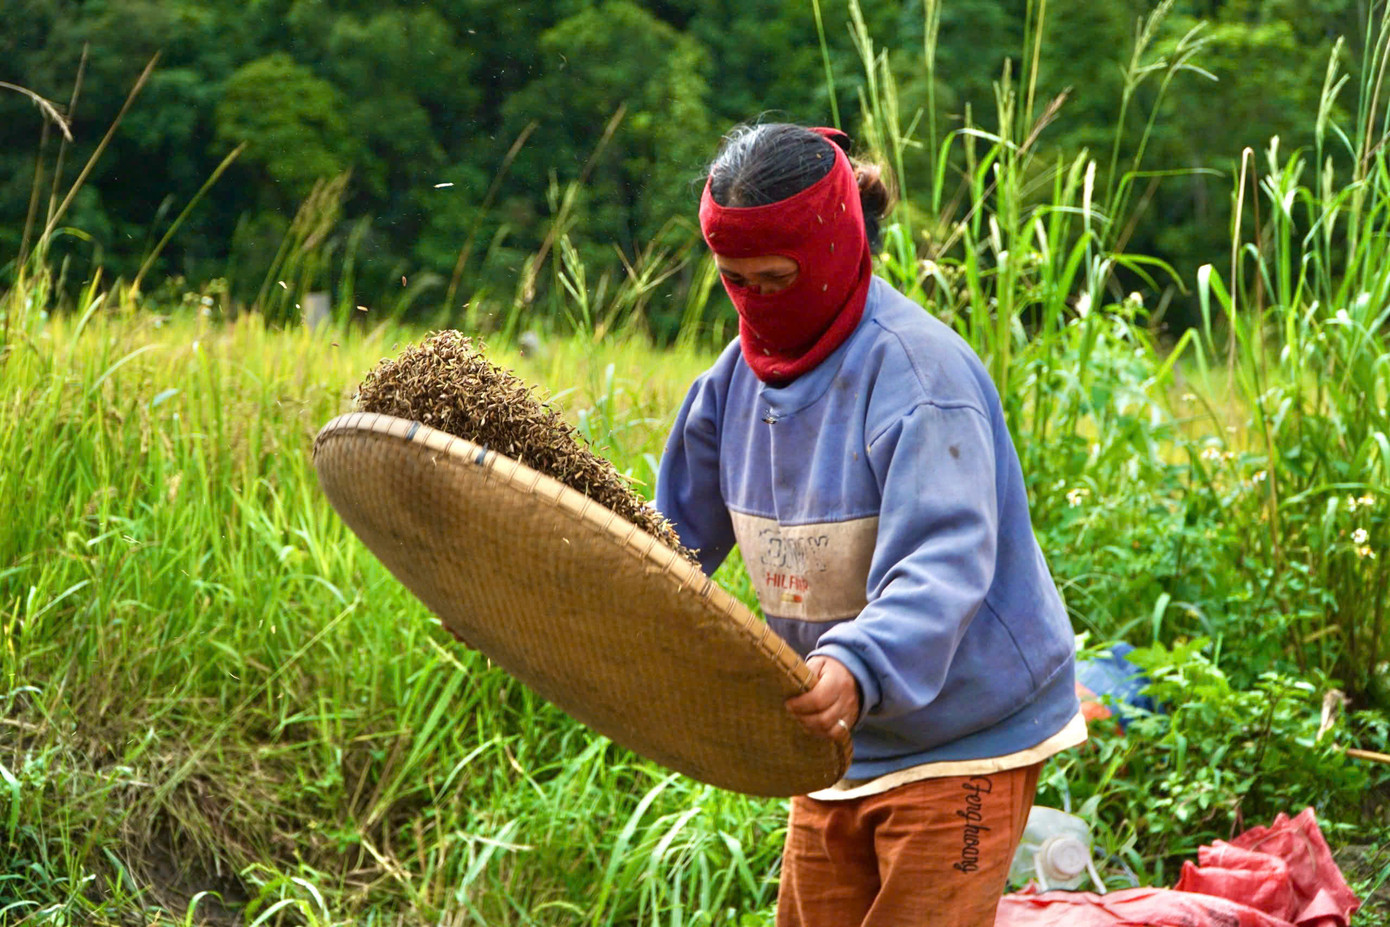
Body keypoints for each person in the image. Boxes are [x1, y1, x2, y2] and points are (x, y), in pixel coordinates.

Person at [654, 123, 1086, 927]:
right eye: (734, 279)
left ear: (829, 255)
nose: (755, 301)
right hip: (835, 739)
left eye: (776, 278)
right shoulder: (731, 385)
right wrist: (540, 587)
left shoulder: (920, 378)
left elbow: (943, 561)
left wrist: (855, 665)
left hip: (963, 734)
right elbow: (663, 544)